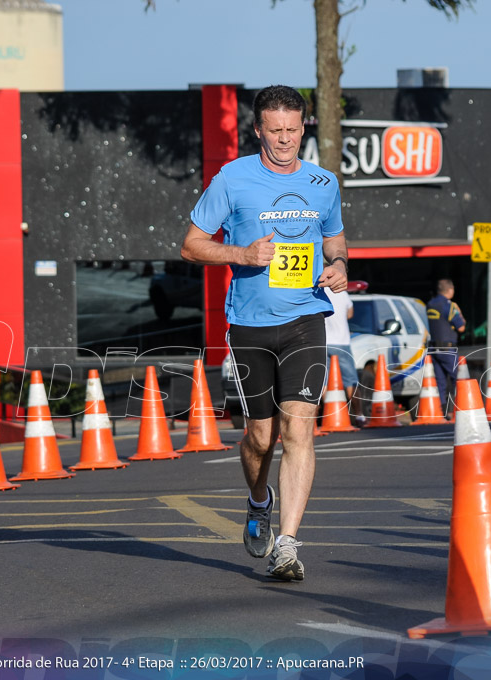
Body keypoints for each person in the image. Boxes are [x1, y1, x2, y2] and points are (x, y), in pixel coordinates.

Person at [181, 85, 348, 581]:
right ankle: (259, 502)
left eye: (292, 131)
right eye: (274, 131)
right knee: (260, 436)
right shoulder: (231, 180)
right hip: (251, 325)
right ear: (257, 129)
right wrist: (242, 254)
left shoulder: (323, 182)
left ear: (304, 128)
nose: (283, 140)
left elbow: (335, 237)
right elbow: (190, 246)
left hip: (305, 320)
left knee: (299, 427)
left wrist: (337, 264)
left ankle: (289, 545)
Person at [426, 278, 466, 417]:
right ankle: (461, 409)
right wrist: (459, 312)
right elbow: (461, 327)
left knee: (440, 382)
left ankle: (442, 412)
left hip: (434, 349)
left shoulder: (430, 304)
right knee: (459, 378)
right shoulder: (449, 306)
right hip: (448, 349)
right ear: (450, 290)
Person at [323, 287, 360, 422]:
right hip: (342, 342)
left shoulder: (318, 291)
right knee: (350, 380)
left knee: (324, 381)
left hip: (324, 342)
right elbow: (350, 313)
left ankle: (328, 413)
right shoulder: (341, 292)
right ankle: (359, 414)